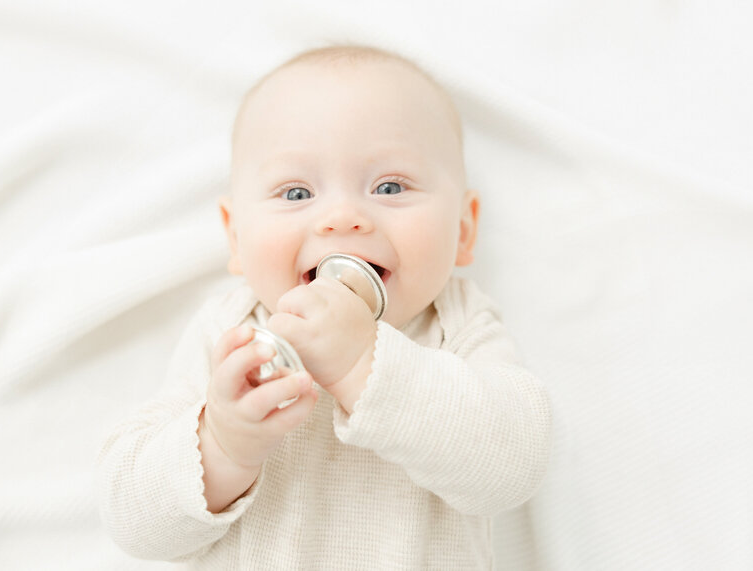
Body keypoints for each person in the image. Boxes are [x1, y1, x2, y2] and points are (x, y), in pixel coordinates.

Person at [97, 45, 552, 569]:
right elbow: (131, 523)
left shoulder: (458, 325)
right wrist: (222, 447)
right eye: (295, 193)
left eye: (389, 186)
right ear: (237, 240)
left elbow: (514, 467)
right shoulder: (233, 334)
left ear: (463, 231)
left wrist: (366, 364)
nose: (341, 217)